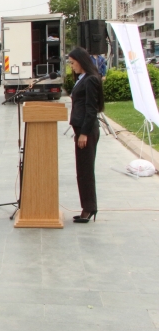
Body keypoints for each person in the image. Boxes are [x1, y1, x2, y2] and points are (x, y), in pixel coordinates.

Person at [68, 47, 104, 223]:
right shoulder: (82, 79)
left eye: (73, 63)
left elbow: (91, 108)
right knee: (81, 171)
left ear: (81, 61)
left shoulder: (90, 80)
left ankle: (89, 208)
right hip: (80, 129)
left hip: (86, 131)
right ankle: (87, 207)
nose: (71, 66)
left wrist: (84, 133)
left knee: (86, 171)